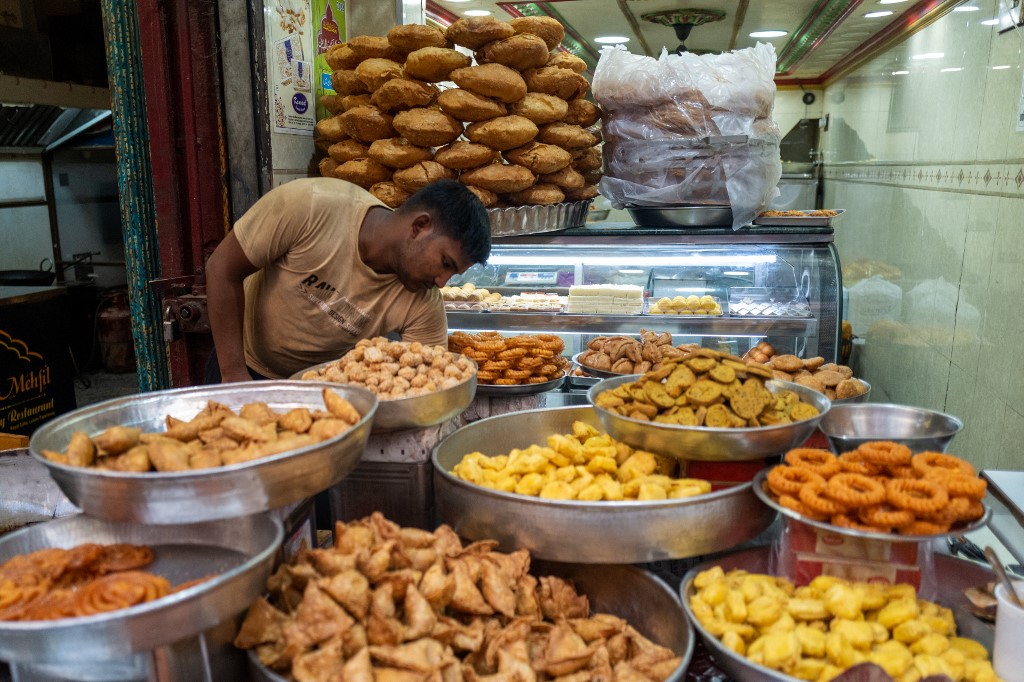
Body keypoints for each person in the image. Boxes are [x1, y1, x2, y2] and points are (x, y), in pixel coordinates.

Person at [204, 177, 491, 383]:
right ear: (420, 226)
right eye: (445, 263)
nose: (442, 282)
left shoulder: (423, 304)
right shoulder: (310, 206)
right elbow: (222, 269)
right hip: (241, 367)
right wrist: (233, 377)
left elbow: (429, 383)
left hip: (324, 389)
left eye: (453, 274)